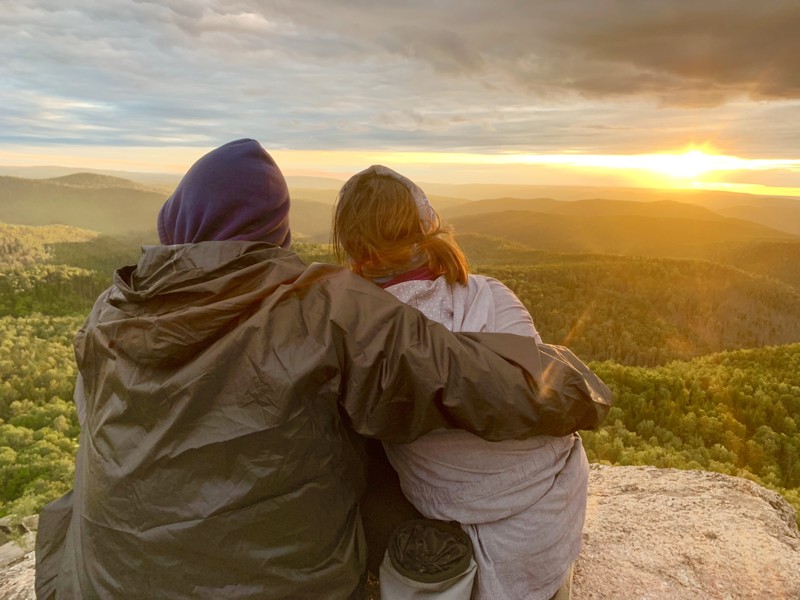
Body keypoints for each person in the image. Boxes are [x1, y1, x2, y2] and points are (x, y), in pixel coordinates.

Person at [35, 140, 610, 600]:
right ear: (274, 234)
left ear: (175, 222)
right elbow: (464, 379)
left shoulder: (110, 312)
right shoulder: (315, 307)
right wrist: (577, 389)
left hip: (101, 581)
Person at [332, 165, 593, 600]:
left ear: (354, 246)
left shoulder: (361, 338)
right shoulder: (493, 295)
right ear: (424, 227)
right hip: (553, 519)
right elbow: (532, 393)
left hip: (466, 518)